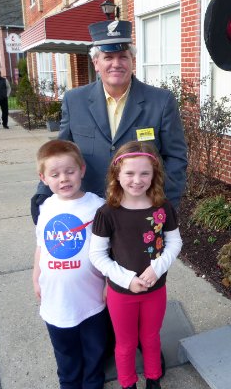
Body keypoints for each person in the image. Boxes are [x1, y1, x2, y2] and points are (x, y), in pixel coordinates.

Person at [31, 19, 187, 224]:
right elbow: (59, 153)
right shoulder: (74, 100)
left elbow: (176, 158)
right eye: (108, 57)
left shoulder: (161, 101)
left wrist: (164, 202)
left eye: (123, 56)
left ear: (132, 60)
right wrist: (43, 195)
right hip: (88, 214)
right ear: (96, 63)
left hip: (141, 211)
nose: (116, 64)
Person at [89, 141, 182, 389]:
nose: (137, 180)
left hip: (155, 290)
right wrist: (127, 279)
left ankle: (153, 380)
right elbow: (97, 255)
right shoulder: (107, 212)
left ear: (155, 175)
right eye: (129, 173)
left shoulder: (163, 207)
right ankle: (128, 383)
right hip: (122, 294)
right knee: (126, 343)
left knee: (151, 338)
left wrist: (157, 268)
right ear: (117, 175)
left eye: (145, 173)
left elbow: (174, 243)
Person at [33, 139, 108, 389]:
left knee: (94, 352)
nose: (63, 178)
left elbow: (111, 249)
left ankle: (93, 383)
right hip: (55, 301)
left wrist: (109, 282)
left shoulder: (98, 207)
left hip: (91, 300)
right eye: (55, 174)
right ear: (43, 177)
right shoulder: (46, 208)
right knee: (65, 355)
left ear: (82, 170)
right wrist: (36, 276)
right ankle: (69, 384)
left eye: (70, 171)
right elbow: (41, 245)